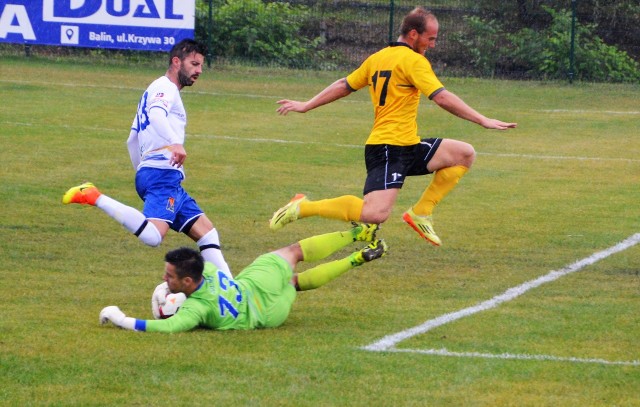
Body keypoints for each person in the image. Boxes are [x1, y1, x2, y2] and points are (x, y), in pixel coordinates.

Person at [271, 7, 517, 247]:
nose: (433, 44)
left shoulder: (378, 57)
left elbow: (344, 84)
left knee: (464, 154)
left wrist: (307, 104)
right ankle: (303, 206)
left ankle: (420, 213)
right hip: (388, 148)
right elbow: (441, 96)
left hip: (407, 144)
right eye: (430, 38)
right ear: (413, 34)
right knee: (375, 213)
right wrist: (482, 119)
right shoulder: (413, 61)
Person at [62, 39, 231, 277]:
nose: (198, 71)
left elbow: (132, 140)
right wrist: (173, 144)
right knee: (153, 236)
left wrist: (142, 173)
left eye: (201, 66)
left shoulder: (153, 90)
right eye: (194, 64)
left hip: (158, 174)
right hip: (161, 174)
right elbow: (156, 114)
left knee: (207, 233)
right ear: (176, 61)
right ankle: (93, 196)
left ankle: (232, 291)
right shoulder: (166, 88)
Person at [99, 223, 388, 332]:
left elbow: (166, 328)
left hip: (265, 313)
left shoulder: (198, 309)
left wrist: (120, 318)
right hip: (253, 283)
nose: (164, 280)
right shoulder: (208, 269)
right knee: (294, 251)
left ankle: (355, 259)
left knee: (294, 283)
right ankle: (356, 234)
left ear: (188, 282)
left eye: (169, 277)